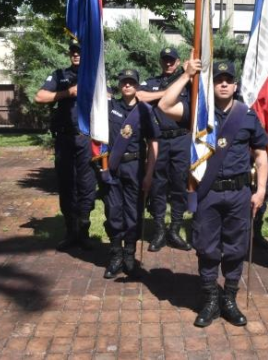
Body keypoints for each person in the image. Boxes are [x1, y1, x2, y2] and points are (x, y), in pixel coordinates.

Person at [158, 59, 268, 329]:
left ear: (235, 85)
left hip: (238, 194)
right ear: (212, 84)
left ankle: (229, 298)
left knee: (235, 248)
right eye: (218, 79)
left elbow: (261, 155)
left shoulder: (247, 115)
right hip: (207, 194)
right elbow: (164, 105)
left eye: (227, 80)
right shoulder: (198, 112)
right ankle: (209, 299)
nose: (223, 83)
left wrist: (262, 189)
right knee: (207, 248)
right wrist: (186, 75)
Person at [34, 41, 101, 251]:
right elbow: (40, 96)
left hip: (86, 139)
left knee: (86, 185)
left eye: (79, 52)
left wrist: (92, 91)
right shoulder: (59, 75)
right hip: (65, 139)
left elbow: (108, 97)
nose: (76, 55)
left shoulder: (95, 75)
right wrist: (67, 93)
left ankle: (83, 230)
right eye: (73, 52)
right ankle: (70, 231)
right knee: (66, 184)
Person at [103, 68, 159, 279]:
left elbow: (153, 143)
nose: (127, 85)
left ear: (137, 86)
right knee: (113, 211)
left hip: (135, 167)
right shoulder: (109, 107)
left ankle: (129, 254)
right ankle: (116, 254)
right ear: (119, 85)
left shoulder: (145, 111)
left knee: (133, 212)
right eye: (124, 82)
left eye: (131, 82)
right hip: (113, 167)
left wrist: (149, 174)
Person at [136, 47, 192, 252]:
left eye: (172, 60)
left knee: (179, 185)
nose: (168, 63)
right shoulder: (151, 82)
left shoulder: (187, 83)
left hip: (180, 139)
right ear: (161, 62)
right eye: (165, 60)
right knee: (158, 185)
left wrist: (188, 75)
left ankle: (175, 229)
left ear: (178, 62)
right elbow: (140, 96)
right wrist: (166, 93)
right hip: (158, 140)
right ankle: (159, 230)